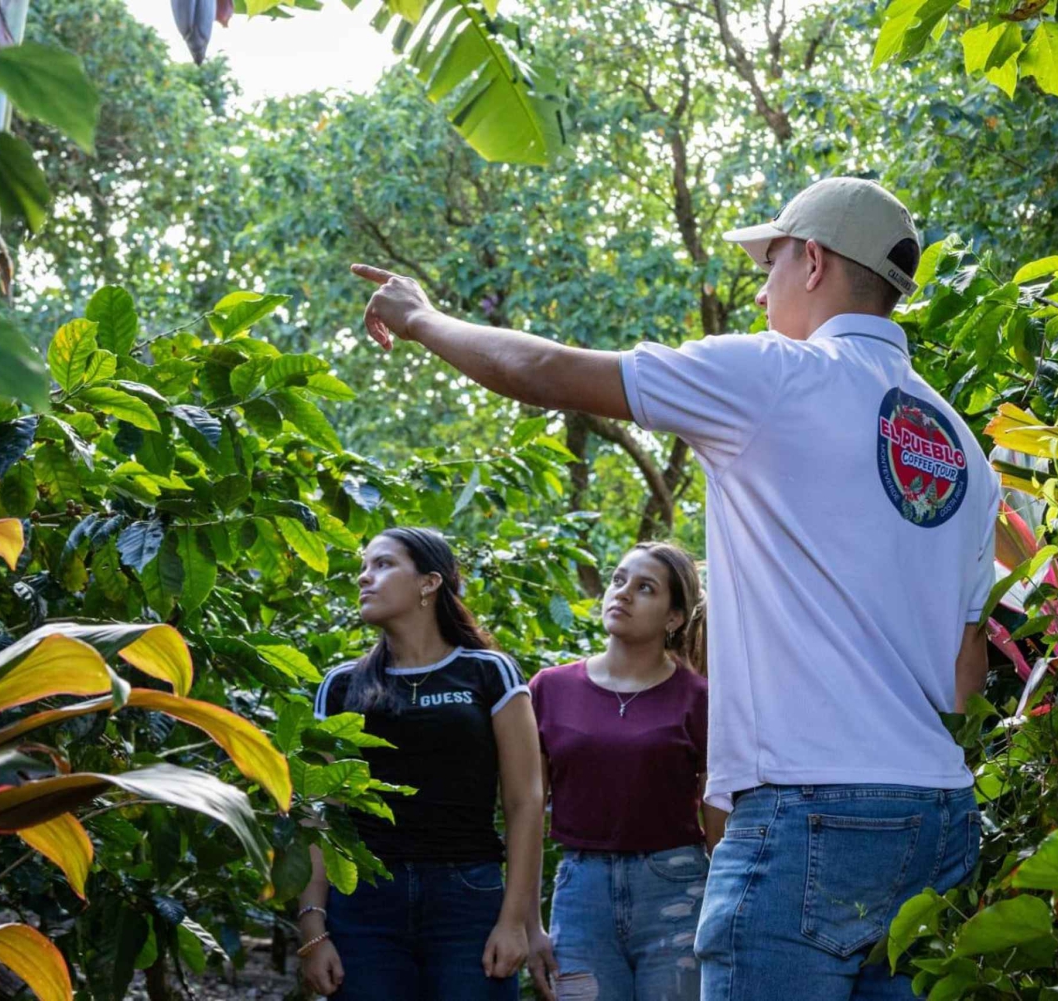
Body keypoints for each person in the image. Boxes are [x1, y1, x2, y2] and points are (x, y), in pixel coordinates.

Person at [351, 176, 999, 1000]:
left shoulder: (779, 376)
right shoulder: (959, 447)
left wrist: (420, 319)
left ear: (811, 260)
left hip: (813, 812)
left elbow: (547, 370)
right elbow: (963, 672)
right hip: (938, 815)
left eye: (767, 265)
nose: (760, 290)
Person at [295, 527, 544, 1001]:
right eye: (363, 567)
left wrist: (515, 922)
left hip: (467, 898)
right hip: (364, 904)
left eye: (383, 565)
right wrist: (313, 928)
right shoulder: (341, 685)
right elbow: (314, 811)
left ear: (430, 583)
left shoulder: (489, 672)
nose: (365, 578)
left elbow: (524, 800)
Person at [528, 542, 721, 1001]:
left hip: (677, 888)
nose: (623, 594)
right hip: (581, 893)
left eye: (645, 588)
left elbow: (717, 815)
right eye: (618, 581)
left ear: (673, 618)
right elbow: (526, 810)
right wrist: (526, 920)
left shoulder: (700, 698)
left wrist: (725, 909)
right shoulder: (549, 689)